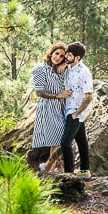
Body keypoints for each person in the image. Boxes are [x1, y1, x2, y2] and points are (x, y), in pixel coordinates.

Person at [30, 42, 71, 171]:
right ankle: (48, 168)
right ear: (51, 53)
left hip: (62, 108)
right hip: (48, 107)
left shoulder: (61, 70)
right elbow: (39, 92)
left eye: (61, 56)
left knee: (57, 140)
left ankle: (50, 168)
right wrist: (58, 96)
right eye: (56, 53)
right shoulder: (40, 69)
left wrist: (64, 66)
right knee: (60, 139)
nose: (57, 57)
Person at [60, 41, 94, 177]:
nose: (65, 57)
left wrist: (77, 113)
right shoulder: (69, 68)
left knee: (65, 143)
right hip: (69, 108)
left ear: (77, 58)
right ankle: (85, 171)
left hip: (75, 111)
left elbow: (89, 97)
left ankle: (68, 175)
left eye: (68, 55)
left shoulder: (84, 72)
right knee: (81, 141)